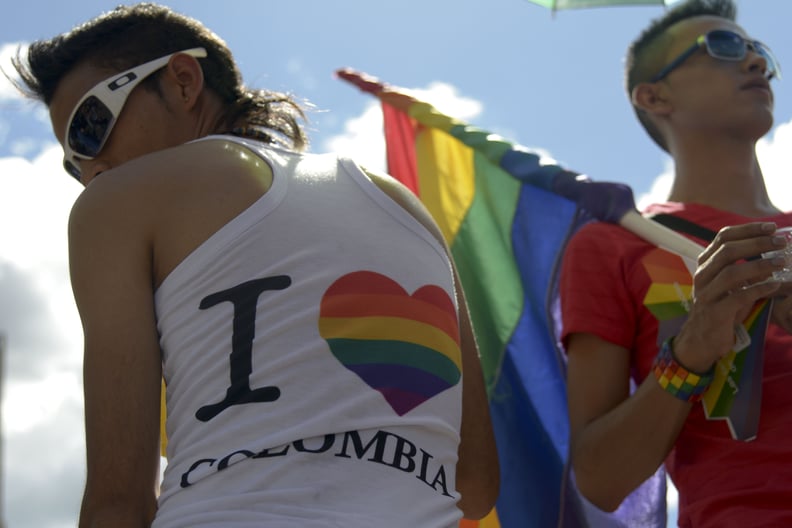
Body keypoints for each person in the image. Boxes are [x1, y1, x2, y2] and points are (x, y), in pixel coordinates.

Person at [11, 3, 499, 526]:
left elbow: (119, 502)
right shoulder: (406, 207)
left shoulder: (117, 205)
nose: (92, 170)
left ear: (181, 80)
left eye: (91, 127)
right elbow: (474, 482)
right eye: (72, 161)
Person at [559, 0, 792, 526]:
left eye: (760, 52)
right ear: (654, 95)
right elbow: (600, 477)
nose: (756, 64)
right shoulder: (614, 246)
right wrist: (690, 351)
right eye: (725, 47)